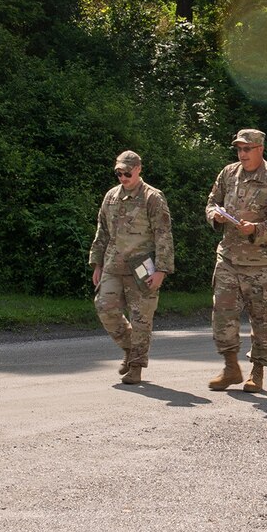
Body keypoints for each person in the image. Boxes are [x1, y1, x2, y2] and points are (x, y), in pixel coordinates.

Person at [204, 128, 267, 392]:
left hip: (263, 265)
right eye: (239, 149)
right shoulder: (228, 173)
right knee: (222, 315)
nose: (242, 154)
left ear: (260, 149)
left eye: (247, 149)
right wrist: (215, 216)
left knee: (262, 321)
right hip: (229, 258)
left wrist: (256, 229)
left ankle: (257, 372)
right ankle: (231, 368)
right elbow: (211, 202)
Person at [89, 150, 173, 385]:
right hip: (113, 264)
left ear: (138, 169)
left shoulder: (152, 197)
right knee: (105, 307)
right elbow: (102, 231)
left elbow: (163, 235)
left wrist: (162, 270)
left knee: (141, 318)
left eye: (127, 172)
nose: (123, 177)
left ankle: (136, 365)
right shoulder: (111, 197)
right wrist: (97, 263)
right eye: (119, 172)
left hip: (142, 267)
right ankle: (129, 347)